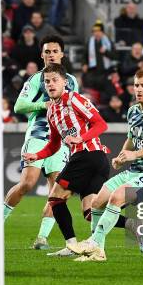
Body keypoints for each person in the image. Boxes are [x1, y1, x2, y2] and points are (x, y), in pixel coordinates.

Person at [67, 69, 143, 261]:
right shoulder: (133, 111)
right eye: (136, 85)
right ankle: (99, 252)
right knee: (96, 202)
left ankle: (94, 243)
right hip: (133, 172)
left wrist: (135, 154)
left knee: (117, 197)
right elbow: (132, 138)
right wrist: (121, 156)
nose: (138, 89)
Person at [22, 63, 110, 258]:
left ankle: (72, 245)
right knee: (90, 212)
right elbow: (53, 144)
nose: (50, 84)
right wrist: (36, 155)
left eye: (55, 80)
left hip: (88, 155)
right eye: (47, 81)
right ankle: (131, 225)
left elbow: (101, 124)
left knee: (55, 198)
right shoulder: (51, 111)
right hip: (90, 159)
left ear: (65, 82)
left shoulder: (74, 99)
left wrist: (81, 138)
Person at [4, 35, 78, 251]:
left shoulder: (72, 81)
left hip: (60, 141)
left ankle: (42, 238)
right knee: (28, 182)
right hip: (37, 136)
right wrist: (43, 105)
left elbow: (75, 108)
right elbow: (19, 106)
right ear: (42, 55)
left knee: (58, 191)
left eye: (55, 51)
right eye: (47, 52)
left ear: (62, 54)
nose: (51, 55)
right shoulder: (36, 79)